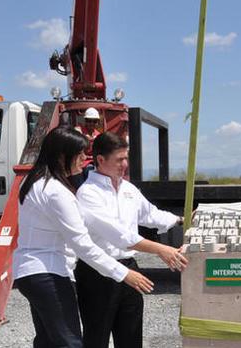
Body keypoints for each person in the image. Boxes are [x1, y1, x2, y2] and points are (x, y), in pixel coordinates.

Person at [12, 127, 154, 348]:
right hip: (49, 273)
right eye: (79, 154)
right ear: (62, 156)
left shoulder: (33, 182)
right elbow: (83, 246)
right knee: (70, 343)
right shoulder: (57, 192)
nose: (83, 160)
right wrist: (124, 274)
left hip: (29, 272)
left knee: (49, 342)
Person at [75, 132, 188, 348]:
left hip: (129, 267)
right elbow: (119, 235)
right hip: (97, 272)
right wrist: (161, 250)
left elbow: (151, 215)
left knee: (131, 335)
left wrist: (181, 219)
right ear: (100, 160)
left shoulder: (128, 189)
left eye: (126, 158)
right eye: (119, 159)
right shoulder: (88, 193)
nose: (124, 164)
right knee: (96, 337)